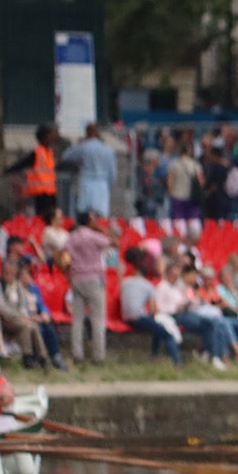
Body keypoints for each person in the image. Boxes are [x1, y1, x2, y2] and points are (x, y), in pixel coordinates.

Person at [65, 211, 112, 364]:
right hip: (93, 278)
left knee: (77, 319)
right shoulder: (93, 236)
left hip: (77, 278)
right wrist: (98, 227)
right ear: (90, 220)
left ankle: (77, 354)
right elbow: (109, 241)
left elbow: (63, 249)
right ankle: (98, 356)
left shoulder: (73, 236)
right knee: (98, 319)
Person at [119, 263, 183, 366]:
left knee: (157, 329)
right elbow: (154, 310)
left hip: (125, 317)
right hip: (139, 317)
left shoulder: (124, 282)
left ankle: (155, 357)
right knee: (168, 335)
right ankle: (178, 363)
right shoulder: (148, 286)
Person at [61, 123, 117, 217]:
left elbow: (66, 156)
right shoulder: (108, 149)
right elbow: (113, 173)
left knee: (85, 215)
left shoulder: (84, 147)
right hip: (102, 184)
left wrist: (78, 143)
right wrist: (108, 186)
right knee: (101, 215)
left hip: (87, 182)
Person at [5, 124, 59, 221]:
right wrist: (6, 172)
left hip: (50, 192)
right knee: (41, 217)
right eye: (51, 135)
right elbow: (21, 164)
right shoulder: (37, 153)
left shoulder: (49, 152)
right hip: (40, 194)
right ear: (44, 137)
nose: (54, 138)